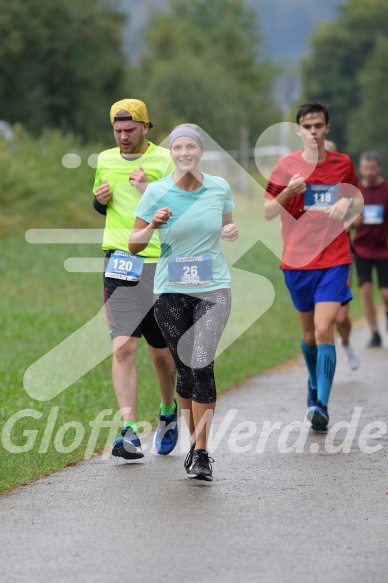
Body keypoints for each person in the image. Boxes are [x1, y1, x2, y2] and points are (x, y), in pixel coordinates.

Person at [129, 123, 238, 481]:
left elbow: (227, 226)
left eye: (191, 147)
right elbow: (135, 244)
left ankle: (202, 451)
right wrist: (153, 224)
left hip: (214, 288)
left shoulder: (219, 187)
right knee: (186, 370)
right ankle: (194, 443)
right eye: (178, 148)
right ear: (172, 153)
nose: (184, 153)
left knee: (201, 361)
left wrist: (230, 231)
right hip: (171, 290)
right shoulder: (157, 192)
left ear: (200, 152)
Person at [264, 102, 363, 432]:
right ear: (298, 130)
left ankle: (321, 402)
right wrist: (289, 191)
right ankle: (313, 380)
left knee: (324, 329)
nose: (313, 131)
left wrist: (346, 203)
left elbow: (356, 201)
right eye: (307, 126)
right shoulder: (285, 166)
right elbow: (266, 211)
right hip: (297, 261)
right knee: (308, 334)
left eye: (319, 125)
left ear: (327, 129)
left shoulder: (343, 163)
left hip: (334, 257)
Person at [92, 98, 177, 460]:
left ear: (146, 127)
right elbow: (102, 205)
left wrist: (148, 189)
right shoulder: (106, 159)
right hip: (120, 263)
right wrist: (98, 199)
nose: (123, 137)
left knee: (160, 353)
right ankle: (128, 432)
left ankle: (168, 412)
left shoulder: (165, 160)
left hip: (159, 264)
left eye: (130, 130)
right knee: (124, 346)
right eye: (118, 130)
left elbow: (181, 210)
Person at [325, 140, 360, 370]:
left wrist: (347, 222)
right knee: (321, 322)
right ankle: (324, 365)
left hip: (340, 258)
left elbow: (359, 216)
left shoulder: (344, 188)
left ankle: (346, 342)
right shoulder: (305, 186)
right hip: (312, 262)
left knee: (339, 318)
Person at [353, 151, 388, 348]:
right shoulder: (356, 191)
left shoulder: (386, 189)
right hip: (362, 250)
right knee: (365, 291)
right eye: (365, 168)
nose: (369, 172)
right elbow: (347, 222)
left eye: (373, 168)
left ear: (379, 169)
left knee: (385, 293)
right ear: (360, 169)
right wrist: (354, 223)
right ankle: (375, 333)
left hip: (384, 250)